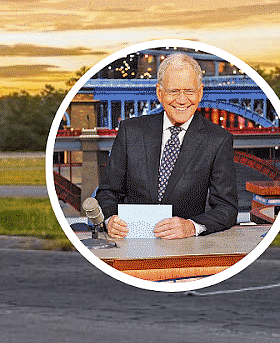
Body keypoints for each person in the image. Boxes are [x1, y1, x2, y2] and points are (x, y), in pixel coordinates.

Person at [96, 52, 238, 240]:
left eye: (189, 91)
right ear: (159, 93)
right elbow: (108, 192)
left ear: (200, 93)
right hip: (132, 244)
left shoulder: (218, 140)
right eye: (173, 92)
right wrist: (109, 220)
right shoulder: (130, 131)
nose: (181, 100)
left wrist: (191, 227)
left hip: (185, 248)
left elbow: (226, 208)